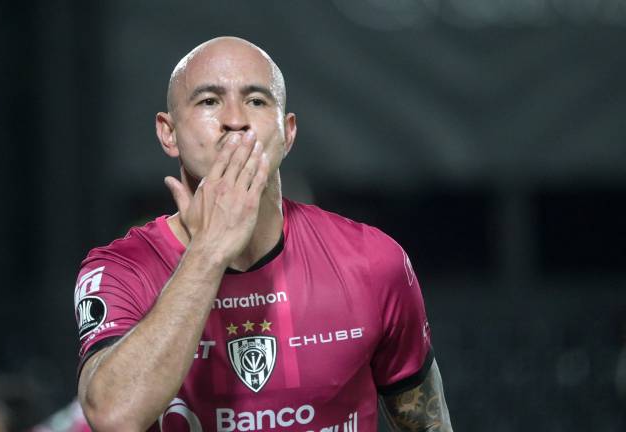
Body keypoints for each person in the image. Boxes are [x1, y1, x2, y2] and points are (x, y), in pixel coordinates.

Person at [74, 36, 453, 432]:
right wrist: (208, 252)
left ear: (287, 133)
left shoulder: (373, 262)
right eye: (209, 101)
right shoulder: (120, 270)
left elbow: (428, 424)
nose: (235, 119)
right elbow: (114, 416)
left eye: (256, 101)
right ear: (168, 133)